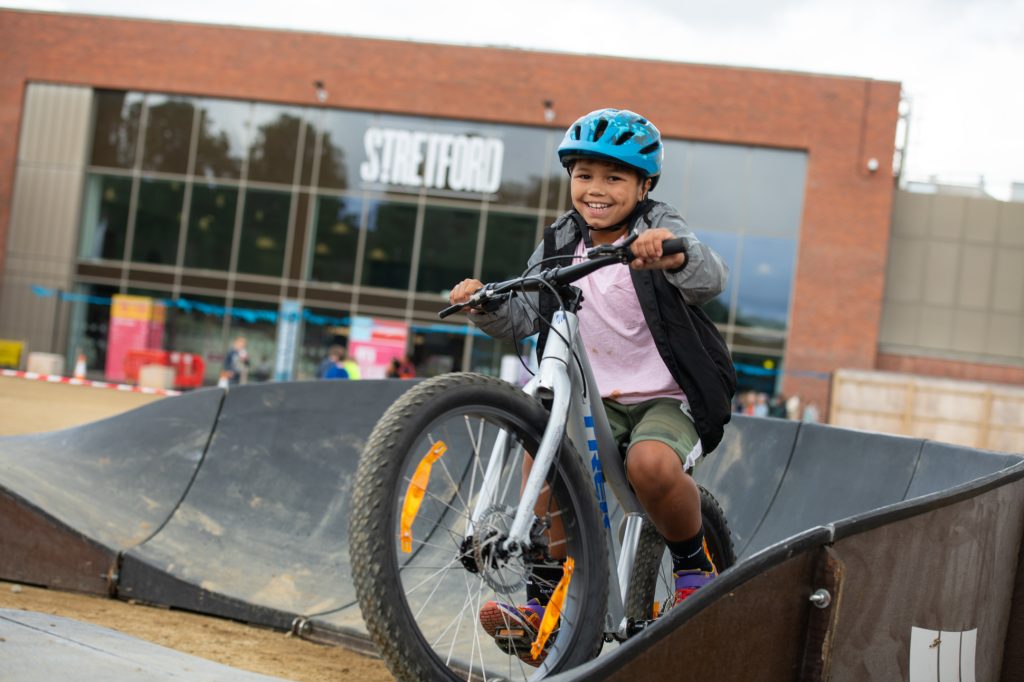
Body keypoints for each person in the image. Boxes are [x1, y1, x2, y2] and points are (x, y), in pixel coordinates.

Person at [448, 108, 736, 664]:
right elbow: (524, 313)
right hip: (593, 402)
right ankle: (545, 600)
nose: (596, 190)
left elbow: (707, 274)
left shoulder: (658, 224)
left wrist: (667, 251)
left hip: (666, 399)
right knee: (543, 460)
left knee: (650, 468)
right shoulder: (562, 238)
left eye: (614, 178)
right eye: (584, 175)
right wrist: (483, 304)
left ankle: (695, 563)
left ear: (643, 185)